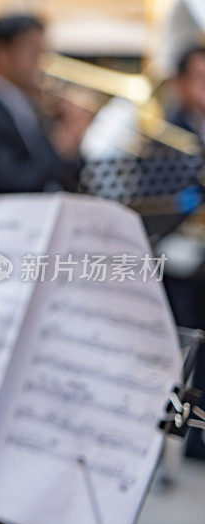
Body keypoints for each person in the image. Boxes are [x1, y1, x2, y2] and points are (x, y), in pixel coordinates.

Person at [0, 14, 89, 195]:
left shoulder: (33, 106)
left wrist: (74, 143)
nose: (40, 63)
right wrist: (60, 149)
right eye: (32, 53)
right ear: (1, 54)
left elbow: (64, 176)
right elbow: (9, 184)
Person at [159, 46, 205, 461]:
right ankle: (169, 436)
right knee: (178, 354)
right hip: (177, 260)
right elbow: (158, 201)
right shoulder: (162, 130)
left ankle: (197, 434)